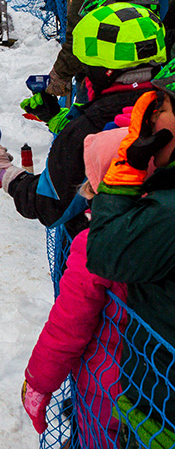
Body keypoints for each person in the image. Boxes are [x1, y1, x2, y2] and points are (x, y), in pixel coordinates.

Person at [0, 0, 166, 236]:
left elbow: (49, 206)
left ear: (104, 71)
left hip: (97, 256)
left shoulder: (83, 133)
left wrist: (5, 174)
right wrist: (58, 119)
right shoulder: (166, 109)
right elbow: (117, 121)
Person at [87, 59, 175, 447]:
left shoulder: (166, 215)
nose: (152, 121)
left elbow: (106, 252)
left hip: (161, 412)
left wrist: (124, 172)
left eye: (161, 110)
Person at [21, 130, 128, 447]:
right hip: (156, 391)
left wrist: (38, 384)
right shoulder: (158, 230)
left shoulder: (94, 245)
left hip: (105, 389)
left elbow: (67, 326)